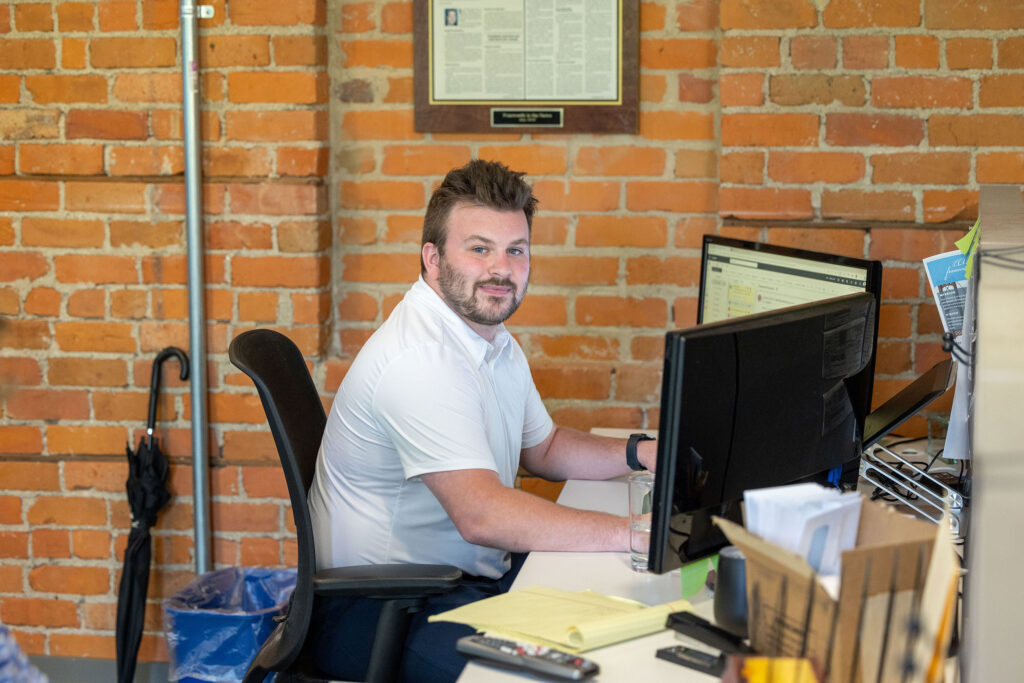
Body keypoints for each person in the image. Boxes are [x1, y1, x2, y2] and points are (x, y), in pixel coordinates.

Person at [307, 159, 657, 682]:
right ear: (432, 258)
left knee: (626, 627)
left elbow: (544, 448)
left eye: (515, 250)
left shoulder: (488, 340)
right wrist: (634, 534)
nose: (501, 268)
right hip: (383, 609)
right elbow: (483, 516)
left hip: (457, 582)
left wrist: (645, 451)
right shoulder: (421, 359)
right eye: (479, 249)